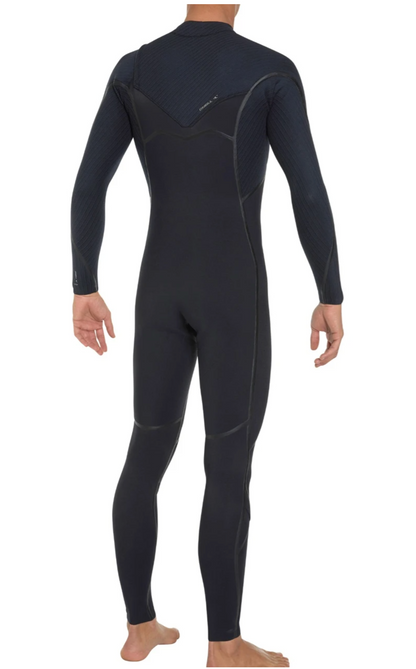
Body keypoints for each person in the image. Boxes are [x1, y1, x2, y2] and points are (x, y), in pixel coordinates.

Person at [70, 4, 344, 666]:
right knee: (227, 465)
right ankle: (225, 643)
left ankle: (140, 627)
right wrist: (329, 292)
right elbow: (307, 191)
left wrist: (84, 285)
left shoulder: (134, 70)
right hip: (233, 296)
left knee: (145, 454)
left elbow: (88, 184)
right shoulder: (270, 72)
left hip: (158, 289)